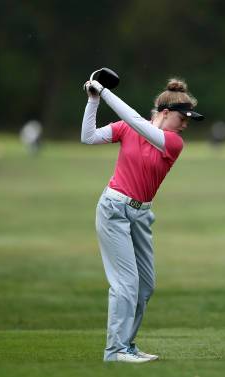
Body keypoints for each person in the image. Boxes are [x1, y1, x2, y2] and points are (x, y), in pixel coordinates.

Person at [81, 77, 204, 363]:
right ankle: (115, 351)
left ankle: (126, 343)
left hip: (141, 214)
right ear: (164, 113)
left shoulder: (173, 142)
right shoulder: (128, 128)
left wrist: (104, 90)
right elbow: (88, 137)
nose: (185, 124)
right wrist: (93, 99)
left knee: (145, 285)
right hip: (114, 209)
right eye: (182, 117)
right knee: (125, 284)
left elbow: (136, 121)